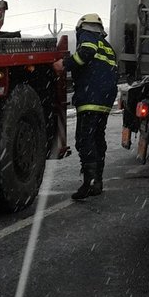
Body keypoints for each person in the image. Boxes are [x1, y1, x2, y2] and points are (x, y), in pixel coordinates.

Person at [53, 13, 119, 201]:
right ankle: (97, 181)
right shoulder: (107, 46)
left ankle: (89, 183)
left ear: (82, 26)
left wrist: (64, 64)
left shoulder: (87, 36)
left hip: (91, 97)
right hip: (105, 99)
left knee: (85, 138)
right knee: (98, 138)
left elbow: (85, 53)